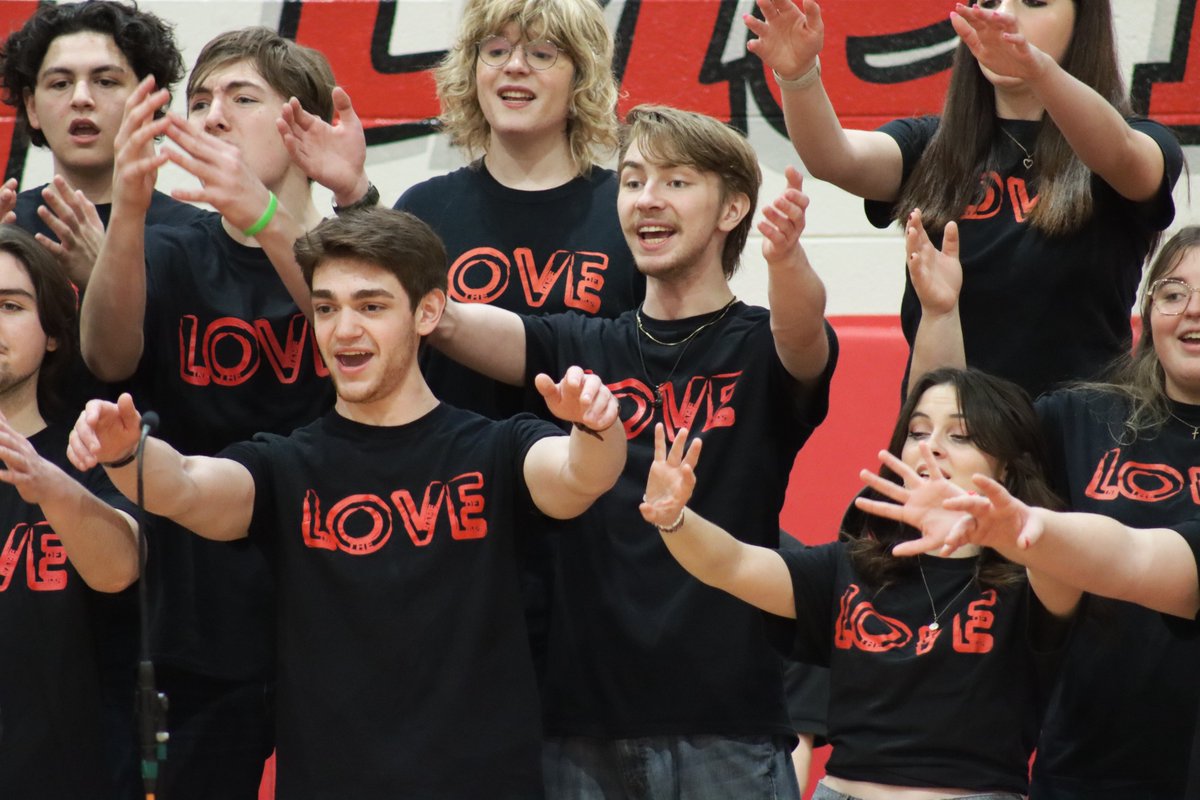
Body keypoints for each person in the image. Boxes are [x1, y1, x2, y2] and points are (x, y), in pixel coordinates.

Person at [68, 206, 627, 799]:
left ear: (428, 311)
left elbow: (578, 476)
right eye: (327, 307)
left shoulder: (495, 447)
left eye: (372, 306)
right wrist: (126, 453)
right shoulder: (284, 464)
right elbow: (184, 484)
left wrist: (596, 425)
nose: (344, 329)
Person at [430, 104, 836, 798]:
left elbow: (805, 337)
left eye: (676, 182)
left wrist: (786, 258)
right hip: (582, 726)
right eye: (633, 180)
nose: (647, 199)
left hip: (727, 724)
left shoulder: (760, 347)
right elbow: (444, 319)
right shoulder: (581, 345)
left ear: (733, 206)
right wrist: (350, 196)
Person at [78, 27, 339, 800]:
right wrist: (127, 214)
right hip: (196, 609)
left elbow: (346, 333)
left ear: (300, 125)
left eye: (241, 98)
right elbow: (107, 359)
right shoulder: (171, 248)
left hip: (329, 599)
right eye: (200, 101)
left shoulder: (348, 247)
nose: (212, 116)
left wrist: (261, 217)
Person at [641, 367, 1075, 800]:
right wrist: (674, 517)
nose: (932, 448)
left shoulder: (1033, 577)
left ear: (1004, 469)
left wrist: (990, 526)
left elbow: (1060, 557)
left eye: (960, 436)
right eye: (918, 432)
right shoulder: (854, 566)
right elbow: (731, 564)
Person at [747, 0, 1183, 398]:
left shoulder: (1139, 141)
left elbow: (1123, 155)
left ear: (1083, 21)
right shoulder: (933, 145)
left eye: (1033, 2)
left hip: (1077, 446)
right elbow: (835, 158)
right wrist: (799, 75)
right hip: (950, 444)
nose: (1002, 16)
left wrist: (1040, 70)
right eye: (989, 2)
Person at [906, 220, 1200, 798]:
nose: (1191, 311)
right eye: (1172, 293)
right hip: (1088, 758)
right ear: (1147, 310)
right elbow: (945, 447)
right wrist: (941, 313)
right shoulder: (1080, 419)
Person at [279, 0, 643, 421]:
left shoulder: (628, 208)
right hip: (450, 479)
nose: (515, 66)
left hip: (589, 470)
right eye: (495, 50)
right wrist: (351, 190)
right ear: (472, 71)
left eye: (541, 53)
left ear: (582, 77)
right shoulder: (427, 206)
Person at [0, 224, 139, 799]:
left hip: (71, 775)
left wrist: (49, 486)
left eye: (9, 305)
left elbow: (119, 568)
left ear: (54, 332)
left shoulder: (93, 450)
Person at [0, 0, 205, 288]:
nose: (80, 97)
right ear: (32, 106)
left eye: (105, 81)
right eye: (60, 83)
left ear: (148, 99)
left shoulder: (197, 237)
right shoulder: (7, 226)